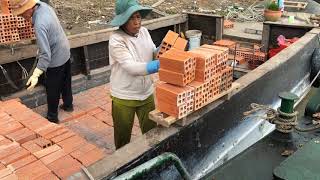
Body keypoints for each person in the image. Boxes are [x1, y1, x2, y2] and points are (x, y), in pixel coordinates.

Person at [10, 0, 73, 123]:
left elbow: (45, 54)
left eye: (22, 14)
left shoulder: (40, 24)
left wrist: (36, 74)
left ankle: (52, 117)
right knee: (66, 81)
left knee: (52, 88)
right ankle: (68, 105)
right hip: (65, 48)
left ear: (29, 9)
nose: (22, 17)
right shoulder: (44, 6)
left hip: (56, 57)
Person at [109, 0, 160, 149]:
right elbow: (131, 67)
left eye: (138, 17)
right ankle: (122, 168)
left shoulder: (144, 32)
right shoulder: (116, 39)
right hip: (125, 96)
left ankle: (152, 160)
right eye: (132, 18)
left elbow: (152, 52)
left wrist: (165, 49)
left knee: (152, 133)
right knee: (123, 138)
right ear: (123, 20)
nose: (137, 22)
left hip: (146, 93)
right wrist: (158, 65)